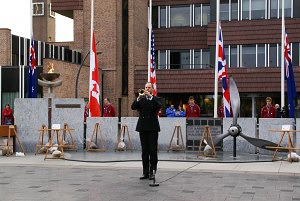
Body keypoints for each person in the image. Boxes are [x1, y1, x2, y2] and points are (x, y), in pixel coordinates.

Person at [131, 82, 162, 180]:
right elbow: (133, 107)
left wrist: (150, 97)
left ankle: (152, 171)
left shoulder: (155, 99)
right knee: (144, 151)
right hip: (143, 127)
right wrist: (138, 98)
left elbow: (158, 106)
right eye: (146, 87)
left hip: (152, 128)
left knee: (152, 150)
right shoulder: (141, 99)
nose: (147, 89)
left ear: (152, 89)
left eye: (149, 88)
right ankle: (145, 172)